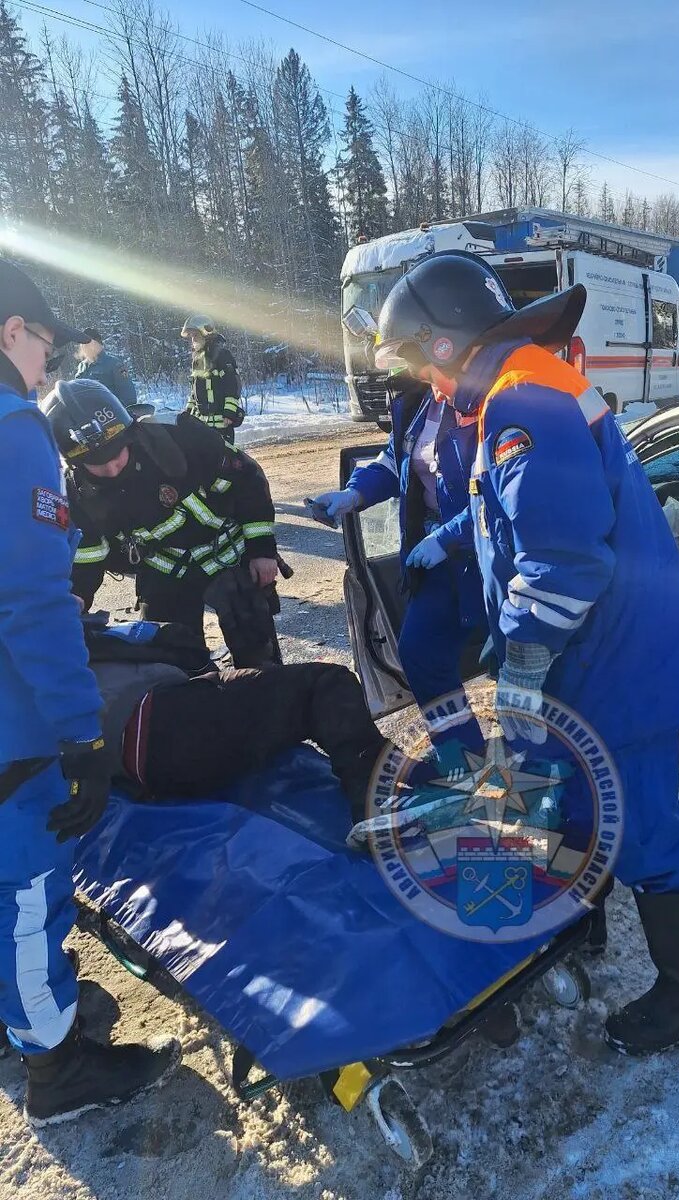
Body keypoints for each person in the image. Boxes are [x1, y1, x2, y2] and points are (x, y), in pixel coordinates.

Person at [368, 250, 679, 1057]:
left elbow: (566, 560)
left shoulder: (520, 406)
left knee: (643, 827)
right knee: (583, 801)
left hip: (620, 665)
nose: (419, 383)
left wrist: (526, 662)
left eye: (412, 359)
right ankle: (592, 921)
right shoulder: (518, 390)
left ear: (443, 343)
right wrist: (444, 537)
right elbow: (517, 512)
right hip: (600, 655)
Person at [0, 257, 181, 1126]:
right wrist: (81, 734)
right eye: (47, 348)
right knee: (28, 892)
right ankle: (57, 1068)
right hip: (11, 733)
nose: (49, 367)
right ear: (12, 333)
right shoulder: (13, 430)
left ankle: (30, 1017)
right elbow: (33, 603)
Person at [41, 378, 280, 667]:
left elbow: (248, 481)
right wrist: (77, 596)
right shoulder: (78, 494)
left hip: (228, 556)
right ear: (74, 462)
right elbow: (88, 554)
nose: (111, 467)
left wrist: (262, 550)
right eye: (96, 463)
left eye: (116, 452)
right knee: (172, 662)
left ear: (129, 433)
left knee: (259, 654)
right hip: (166, 572)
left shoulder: (180, 437)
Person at [312, 373, 485, 754]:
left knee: (516, 666)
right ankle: (463, 757)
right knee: (420, 653)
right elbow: (394, 462)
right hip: (436, 557)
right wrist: (354, 493)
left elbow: (505, 492)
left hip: (489, 559)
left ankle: (540, 768)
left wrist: (449, 537)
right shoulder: (419, 402)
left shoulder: (490, 399)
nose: (402, 367)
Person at [81, 618, 390, 817]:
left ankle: (382, 768)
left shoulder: (46, 655)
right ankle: (378, 802)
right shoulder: (57, 632)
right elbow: (171, 640)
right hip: (162, 719)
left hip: (148, 758)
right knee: (325, 683)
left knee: (268, 685)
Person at [181, 315, 244, 444]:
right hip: (202, 426)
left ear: (206, 334)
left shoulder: (222, 356)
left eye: (195, 335)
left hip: (222, 425)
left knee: (224, 462)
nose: (193, 340)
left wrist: (229, 412)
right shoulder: (197, 360)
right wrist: (187, 413)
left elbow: (233, 385)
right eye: (191, 336)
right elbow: (195, 391)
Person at [74, 328, 138, 409]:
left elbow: (129, 397)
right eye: (82, 345)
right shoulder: (82, 366)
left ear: (96, 344)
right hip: (88, 416)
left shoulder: (114, 364)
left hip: (111, 416)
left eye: (86, 344)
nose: (83, 348)